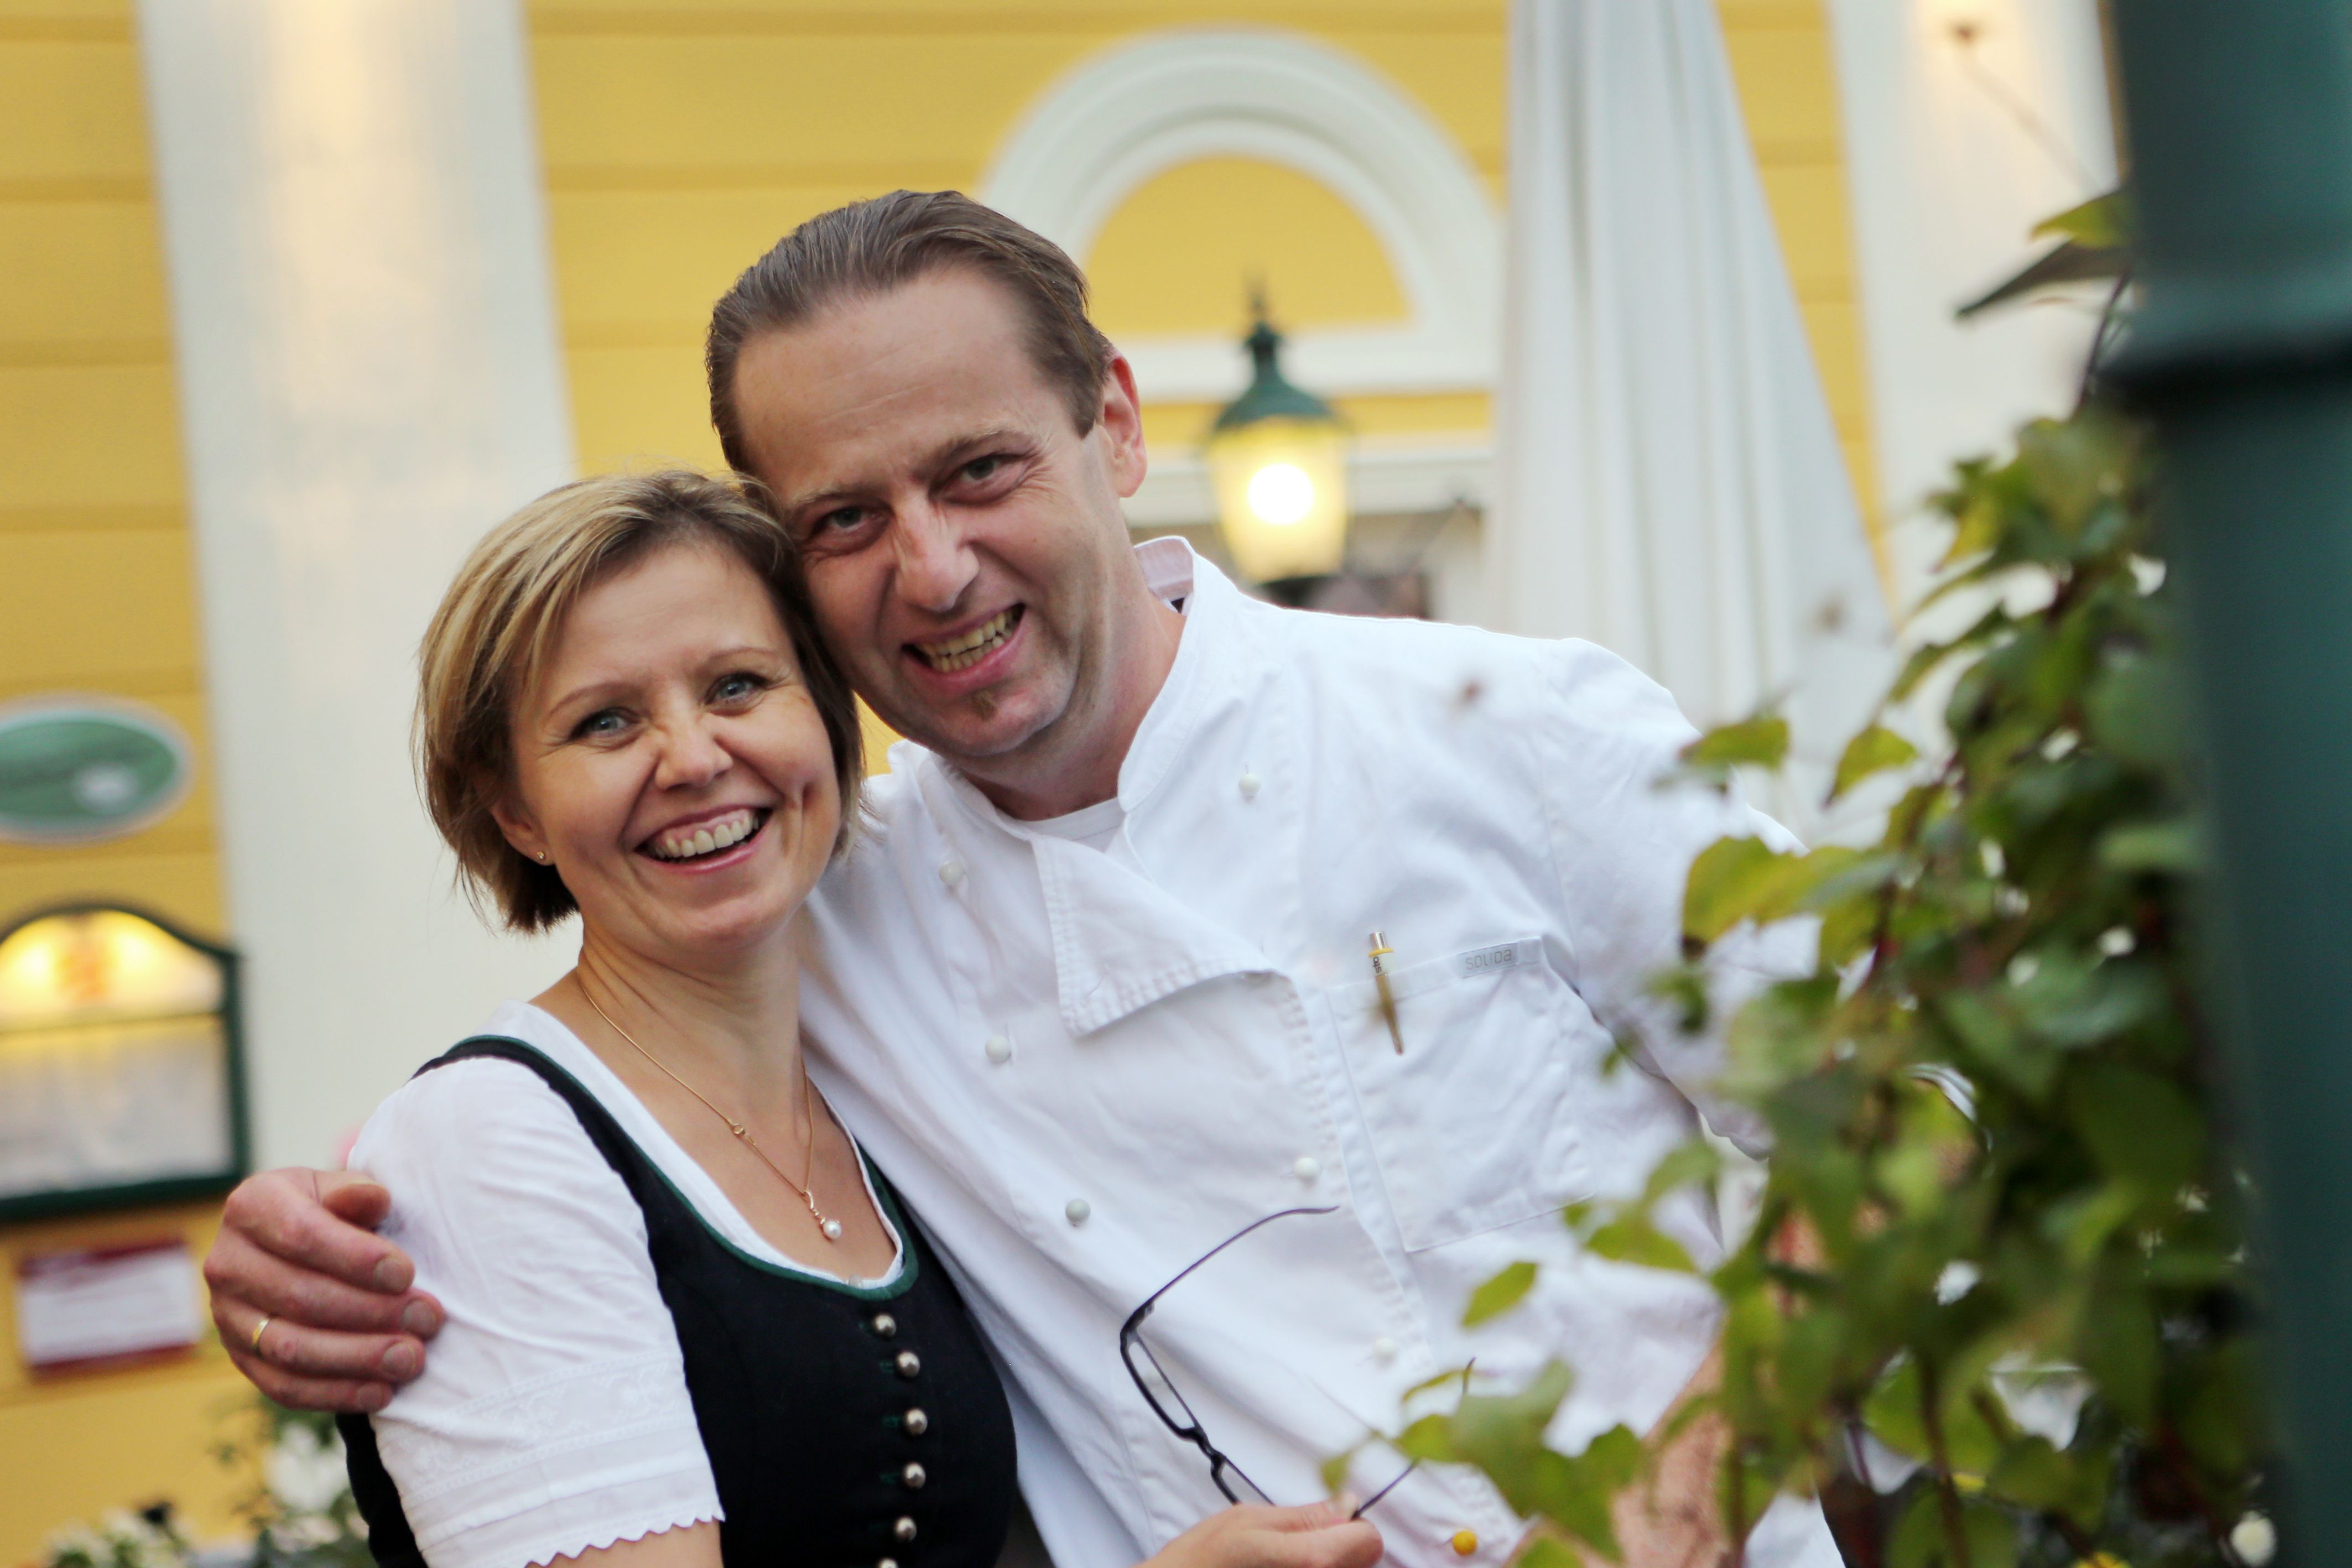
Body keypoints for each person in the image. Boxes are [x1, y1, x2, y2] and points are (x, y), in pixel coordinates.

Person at [205, 192, 1840, 1568]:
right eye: (846, 516)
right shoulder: (825, 901)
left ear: (1112, 427)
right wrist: (309, 1235)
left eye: (977, 469)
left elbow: (1897, 1105)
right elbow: (583, 1104)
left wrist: (1697, 1473)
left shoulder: (1509, 727)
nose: (931, 566)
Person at [315, 468, 1380, 1568]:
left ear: (824, 724)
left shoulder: (870, 1085)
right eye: (605, 721)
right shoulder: (488, 1141)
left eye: (737, 685)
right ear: (515, 809)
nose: (690, 757)